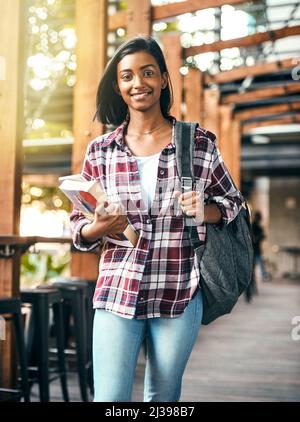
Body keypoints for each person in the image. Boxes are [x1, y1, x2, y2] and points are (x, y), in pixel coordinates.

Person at [70, 35, 244, 402]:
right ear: (118, 86)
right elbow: (76, 224)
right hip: (118, 290)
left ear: (164, 79)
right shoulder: (100, 151)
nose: (138, 83)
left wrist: (205, 210)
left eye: (148, 73)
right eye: (127, 76)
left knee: (162, 398)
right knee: (110, 400)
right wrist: (96, 228)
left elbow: (233, 203)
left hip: (180, 290)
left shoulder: (197, 143)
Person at [252, 210, 269, 281]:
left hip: (256, 249)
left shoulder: (258, 226)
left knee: (260, 264)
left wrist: (258, 237)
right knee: (254, 265)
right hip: (253, 249)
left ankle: (263, 276)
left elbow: (263, 236)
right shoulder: (253, 225)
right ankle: (254, 277)